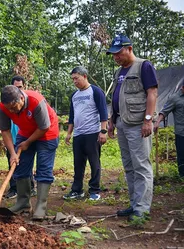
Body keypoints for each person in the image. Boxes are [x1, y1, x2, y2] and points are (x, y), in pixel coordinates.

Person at [107, 34, 158, 221]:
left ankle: (142, 209)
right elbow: (117, 97)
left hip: (138, 124)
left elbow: (152, 93)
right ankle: (135, 204)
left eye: (118, 53)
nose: (116, 57)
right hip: (122, 123)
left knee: (141, 165)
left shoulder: (144, 66)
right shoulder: (119, 72)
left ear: (129, 49)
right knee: (129, 167)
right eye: (113, 54)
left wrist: (148, 120)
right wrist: (112, 120)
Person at [0, 85, 59, 220]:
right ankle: (23, 203)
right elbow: (5, 130)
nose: (12, 111)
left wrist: (28, 142)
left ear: (21, 98)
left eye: (14, 107)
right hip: (25, 132)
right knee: (21, 165)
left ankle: (41, 206)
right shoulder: (3, 107)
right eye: (9, 109)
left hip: (47, 132)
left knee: (44, 168)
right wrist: (13, 153)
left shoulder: (36, 101)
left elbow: (44, 127)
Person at [63, 67, 108, 201]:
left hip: (93, 133)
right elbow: (72, 115)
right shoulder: (74, 95)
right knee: (78, 164)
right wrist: (69, 133)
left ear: (85, 76)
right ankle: (77, 190)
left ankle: (94, 190)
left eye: (76, 78)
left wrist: (103, 131)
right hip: (78, 134)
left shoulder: (96, 91)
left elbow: (103, 112)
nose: (74, 81)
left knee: (94, 163)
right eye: (72, 79)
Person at [5, 76, 36, 199]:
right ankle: (14, 188)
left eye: (20, 87)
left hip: (26, 138)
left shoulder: (28, 103)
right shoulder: (8, 105)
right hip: (12, 138)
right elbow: (4, 127)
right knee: (11, 161)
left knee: (27, 162)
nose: (18, 89)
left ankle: (31, 187)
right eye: (15, 87)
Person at [154, 80, 184, 177]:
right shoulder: (175, 98)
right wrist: (157, 122)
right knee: (182, 155)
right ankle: (182, 176)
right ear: (182, 88)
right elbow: (164, 111)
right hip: (181, 133)